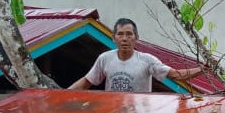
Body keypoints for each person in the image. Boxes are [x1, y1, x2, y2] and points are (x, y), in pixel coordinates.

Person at [69, 18, 205, 93]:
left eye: (129, 34)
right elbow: (86, 82)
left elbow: (176, 75)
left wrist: (203, 69)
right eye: (120, 34)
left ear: (136, 38)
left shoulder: (147, 60)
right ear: (113, 38)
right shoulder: (105, 59)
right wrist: (61, 95)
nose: (124, 38)